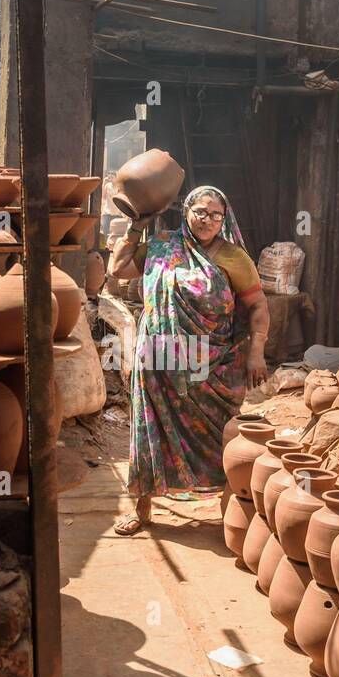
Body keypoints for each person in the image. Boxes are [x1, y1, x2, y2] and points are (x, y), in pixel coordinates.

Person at [107, 185, 269, 535]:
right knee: (151, 429)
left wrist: (256, 351)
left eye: (216, 214)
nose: (208, 220)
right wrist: (137, 225)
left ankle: (232, 506)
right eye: (201, 212)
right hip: (158, 356)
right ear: (187, 212)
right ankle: (143, 506)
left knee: (218, 433)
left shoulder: (234, 257)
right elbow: (117, 270)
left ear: (224, 219)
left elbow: (257, 305)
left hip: (209, 361)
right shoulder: (162, 246)